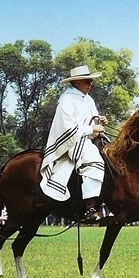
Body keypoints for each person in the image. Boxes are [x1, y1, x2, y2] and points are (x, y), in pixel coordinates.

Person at [40, 65, 107, 223]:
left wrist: (99, 120)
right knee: (95, 161)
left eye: (91, 81)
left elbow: (92, 118)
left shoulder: (88, 99)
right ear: (76, 82)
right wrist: (91, 128)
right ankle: (90, 208)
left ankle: (106, 203)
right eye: (87, 81)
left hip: (87, 139)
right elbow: (67, 127)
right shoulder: (67, 99)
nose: (90, 83)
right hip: (72, 141)